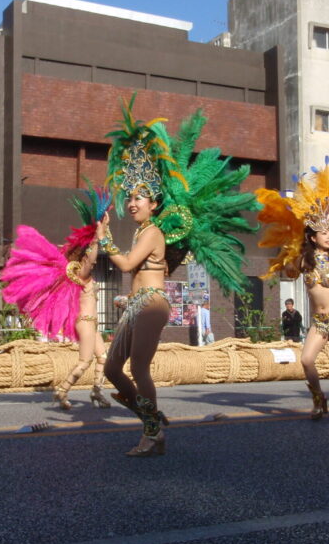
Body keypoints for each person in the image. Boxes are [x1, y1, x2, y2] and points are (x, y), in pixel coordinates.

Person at [99, 100, 258, 455]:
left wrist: (104, 239)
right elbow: (137, 274)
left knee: (139, 370)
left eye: (140, 196)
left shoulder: (153, 231)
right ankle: (151, 415)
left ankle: (152, 431)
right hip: (136, 305)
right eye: (130, 196)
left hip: (152, 306)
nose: (132, 202)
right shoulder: (141, 234)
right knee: (112, 369)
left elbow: (125, 266)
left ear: (154, 203)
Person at [256, 159, 329, 423]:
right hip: (319, 320)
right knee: (306, 360)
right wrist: (291, 256)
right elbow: (289, 273)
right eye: (323, 232)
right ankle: (319, 399)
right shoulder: (304, 260)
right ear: (312, 236)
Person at [1, 183, 113, 410]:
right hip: (85, 323)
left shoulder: (82, 272)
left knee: (103, 358)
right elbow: (91, 259)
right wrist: (96, 238)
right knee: (85, 360)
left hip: (93, 324)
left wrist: (97, 234)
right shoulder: (81, 272)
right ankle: (62, 390)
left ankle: (97, 392)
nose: (94, 260)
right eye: (90, 256)